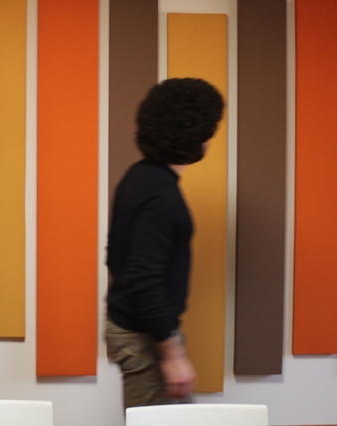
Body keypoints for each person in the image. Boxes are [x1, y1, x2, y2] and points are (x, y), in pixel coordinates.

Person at [105, 77, 224, 410]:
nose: (208, 140)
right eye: (207, 132)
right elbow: (143, 276)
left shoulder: (138, 177)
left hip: (138, 329)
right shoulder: (161, 194)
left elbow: (116, 258)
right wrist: (172, 354)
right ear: (192, 136)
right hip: (145, 336)